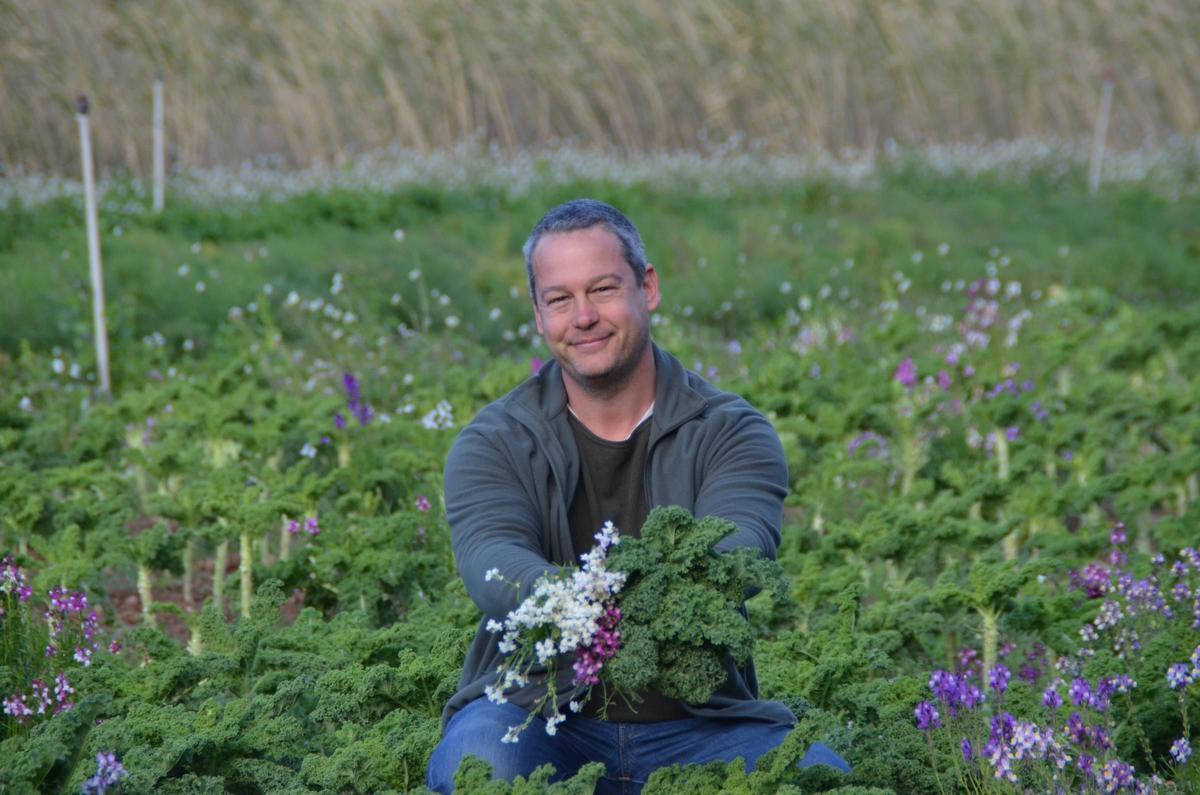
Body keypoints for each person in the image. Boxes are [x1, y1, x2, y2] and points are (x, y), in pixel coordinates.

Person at [427, 199, 849, 794]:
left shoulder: (731, 430)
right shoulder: (494, 440)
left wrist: (605, 599)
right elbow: (491, 562)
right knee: (480, 764)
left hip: (702, 723)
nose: (583, 317)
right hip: (533, 713)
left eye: (602, 289)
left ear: (647, 287)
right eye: (560, 299)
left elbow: (739, 553)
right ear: (538, 313)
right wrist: (588, 602)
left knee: (821, 778)